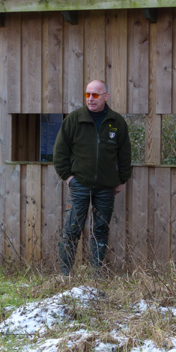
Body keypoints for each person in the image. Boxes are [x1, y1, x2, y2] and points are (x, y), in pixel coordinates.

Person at [53, 80, 131, 275]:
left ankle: (96, 276)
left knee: (101, 231)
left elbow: (125, 154)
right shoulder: (74, 120)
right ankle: (65, 276)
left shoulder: (116, 122)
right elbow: (60, 152)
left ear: (106, 96)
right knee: (71, 231)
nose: (90, 99)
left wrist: (122, 179)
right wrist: (68, 177)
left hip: (106, 187)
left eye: (95, 95)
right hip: (80, 184)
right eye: (87, 94)